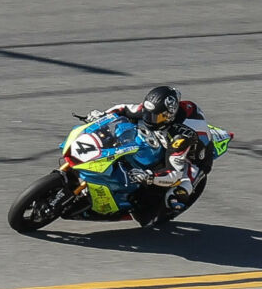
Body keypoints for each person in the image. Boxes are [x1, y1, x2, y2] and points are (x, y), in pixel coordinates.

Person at [88, 86, 213, 215]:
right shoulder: (155, 110)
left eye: (155, 117)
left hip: (193, 158)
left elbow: (174, 173)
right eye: (148, 113)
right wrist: (102, 116)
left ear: (168, 116)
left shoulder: (180, 137)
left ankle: (171, 202)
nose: (148, 118)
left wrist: (149, 177)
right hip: (168, 136)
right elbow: (123, 109)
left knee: (177, 193)